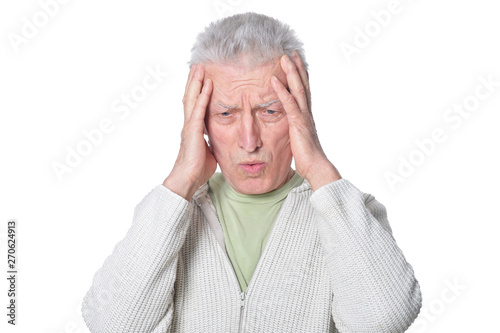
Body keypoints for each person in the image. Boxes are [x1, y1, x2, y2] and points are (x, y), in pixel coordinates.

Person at [81, 12, 422, 333]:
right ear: (199, 121)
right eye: (226, 114)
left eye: (270, 111)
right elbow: (113, 325)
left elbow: (383, 321)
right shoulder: (167, 218)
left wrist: (318, 168)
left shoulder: (348, 213)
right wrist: (181, 182)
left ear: (299, 113)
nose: (249, 140)